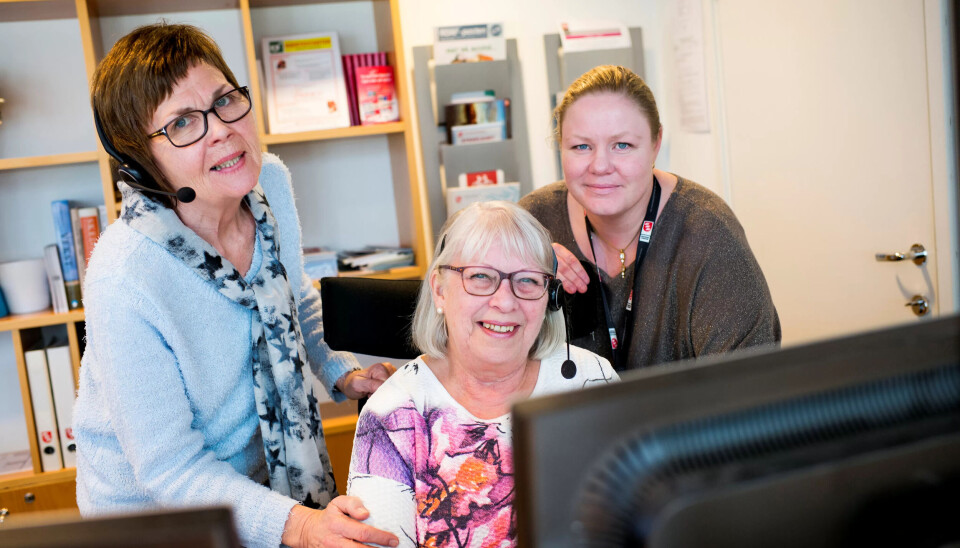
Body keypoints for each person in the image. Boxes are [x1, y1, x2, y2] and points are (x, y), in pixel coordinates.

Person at [74, 23, 398, 548]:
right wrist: (300, 525)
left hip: (255, 485)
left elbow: (291, 295)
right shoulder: (125, 276)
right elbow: (171, 469)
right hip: (158, 519)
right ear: (139, 160)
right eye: (182, 122)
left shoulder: (268, 182)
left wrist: (342, 371)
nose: (222, 130)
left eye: (225, 100)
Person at [345, 201, 618, 548]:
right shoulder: (391, 414)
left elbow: (635, 517)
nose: (505, 302)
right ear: (439, 290)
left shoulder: (590, 381)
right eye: (480, 277)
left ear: (550, 299)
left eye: (527, 280)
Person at [519, 65, 780, 372]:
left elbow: (747, 384)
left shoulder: (710, 238)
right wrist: (520, 275)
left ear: (656, 144)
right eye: (581, 146)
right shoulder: (532, 225)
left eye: (622, 145)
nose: (600, 166)